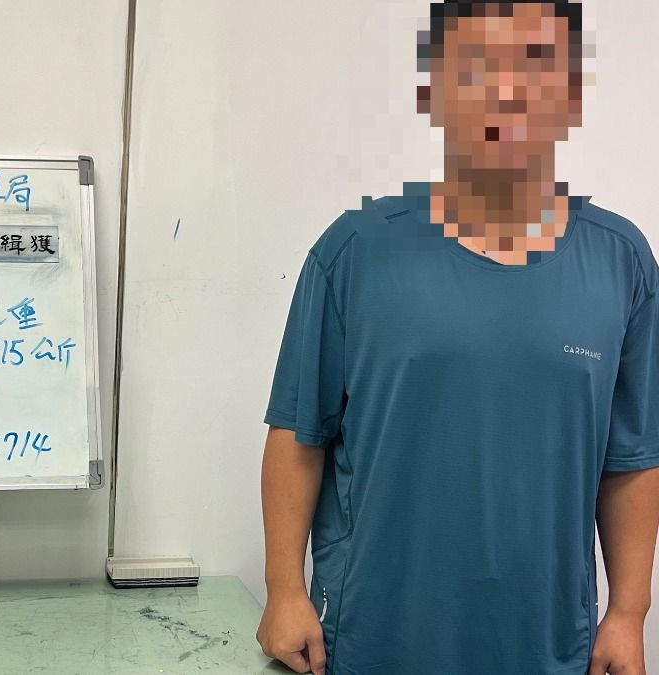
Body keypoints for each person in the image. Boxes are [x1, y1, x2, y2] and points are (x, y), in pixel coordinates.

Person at [255, 1, 659, 673]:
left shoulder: (622, 264)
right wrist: (284, 590)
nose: (508, 89)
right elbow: (299, 434)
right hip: (374, 640)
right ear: (435, 89)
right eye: (480, 64)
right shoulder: (355, 252)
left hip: (547, 645)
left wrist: (627, 613)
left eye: (535, 63)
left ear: (571, 92)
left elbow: (633, 459)